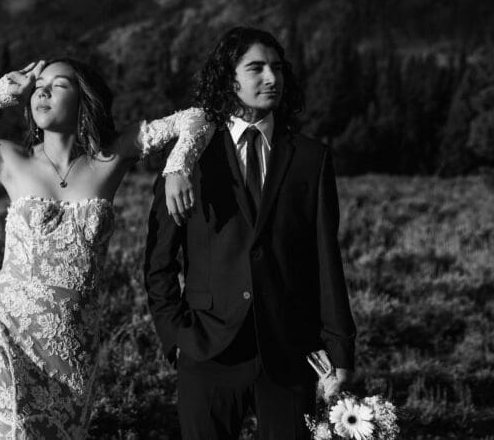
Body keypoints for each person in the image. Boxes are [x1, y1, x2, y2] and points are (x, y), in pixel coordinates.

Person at [0, 58, 213, 438]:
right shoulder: (9, 159)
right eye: (38, 86)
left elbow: (198, 118)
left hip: (73, 351)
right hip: (5, 334)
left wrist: (177, 168)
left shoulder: (114, 156)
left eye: (58, 85)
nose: (42, 91)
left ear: (84, 99)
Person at [144, 27, 357, 440]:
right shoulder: (191, 154)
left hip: (290, 350)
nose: (271, 79)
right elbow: (158, 259)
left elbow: (325, 259)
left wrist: (340, 348)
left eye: (277, 68)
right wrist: (175, 336)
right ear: (230, 77)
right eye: (256, 68)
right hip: (207, 350)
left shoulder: (311, 158)